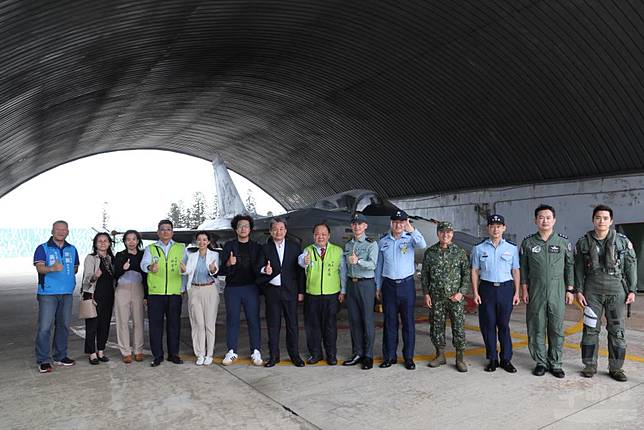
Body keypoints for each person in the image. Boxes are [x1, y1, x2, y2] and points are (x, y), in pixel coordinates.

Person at [575, 204, 637, 382]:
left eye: (605, 218)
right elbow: (578, 268)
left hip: (616, 291)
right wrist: (579, 290)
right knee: (590, 329)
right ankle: (589, 365)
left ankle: (616, 369)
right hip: (592, 291)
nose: (601, 221)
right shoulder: (584, 242)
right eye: (598, 218)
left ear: (611, 221)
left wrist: (632, 289)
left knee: (617, 331)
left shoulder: (622, 242)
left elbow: (631, 266)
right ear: (593, 220)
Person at [520, 205, 574, 378]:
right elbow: (523, 268)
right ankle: (541, 362)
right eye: (541, 217)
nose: (545, 220)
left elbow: (570, 267)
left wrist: (570, 289)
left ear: (554, 220)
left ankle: (556, 363)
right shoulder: (528, 243)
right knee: (536, 326)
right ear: (535, 220)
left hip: (557, 289)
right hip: (536, 290)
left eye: (548, 217)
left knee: (556, 327)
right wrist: (524, 289)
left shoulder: (563, 242)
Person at [375, 210, 427, 370]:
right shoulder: (383, 241)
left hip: (406, 285)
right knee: (389, 323)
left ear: (405, 223)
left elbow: (423, 245)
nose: (398, 225)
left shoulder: (411, 239)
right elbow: (379, 266)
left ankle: (408, 357)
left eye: (402, 222)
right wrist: (378, 286)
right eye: (396, 222)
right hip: (389, 285)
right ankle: (389, 356)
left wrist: (410, 228)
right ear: (391, 223)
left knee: (408, 323)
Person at [471, 214, 520, 373]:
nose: (495, 229)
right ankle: (492, 358)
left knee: (504, 325)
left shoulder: (512, 248)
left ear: (504, 228)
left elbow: (515, 270)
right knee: (488, 325)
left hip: (506, 289)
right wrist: (475, 292)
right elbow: (475, 271)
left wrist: (517, 292)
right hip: (487, 289)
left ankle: (506, 359)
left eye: (499, 226)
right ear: (488, 228)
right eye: (492, 226)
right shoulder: (479, 248)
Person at [421, 221, 470, 372]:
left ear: (452, 234)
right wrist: (426, 294)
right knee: (436, 327)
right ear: (438, 234)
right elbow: (425, 275)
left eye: (448, 232)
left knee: (458, 328)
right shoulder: (430, 252)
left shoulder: (459, 252)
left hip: (455, 298)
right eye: (442, 232)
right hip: (436, 297)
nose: (445, 235)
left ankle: (460, 358)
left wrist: (461, 292)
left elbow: (466, 275)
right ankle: (440, 355)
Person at [258, 217, 306, 367]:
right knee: (273, 325)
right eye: (275, 229)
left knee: (292, 325)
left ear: (285, 231)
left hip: (290, 291)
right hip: (272, 292)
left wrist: (300, 291)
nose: (278, 232)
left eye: (281, 229)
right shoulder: (265, 248)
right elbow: (257, 267)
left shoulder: (294, 247)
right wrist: (264, 270)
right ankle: (274, 356)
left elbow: (299, 272)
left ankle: (294, 355)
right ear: (270, 232)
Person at [33, 220, 79, 373]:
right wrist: (52, 268)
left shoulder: (72, 249)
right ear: (52, 231)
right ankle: (43, 360)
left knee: (64, 325)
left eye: (64, 229)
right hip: (48, 293)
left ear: (68, 232)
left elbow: (75, 268)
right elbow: (40, 268)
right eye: (57, 229)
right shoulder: (43, 248)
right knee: (45, 327)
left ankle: (60, 356)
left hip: (67, 293)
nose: (61, 232)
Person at [298, 223, 346, 365]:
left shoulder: (337, 251)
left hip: (331, 295)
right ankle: (315, 354)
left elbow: (342, 272)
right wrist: (303, 261)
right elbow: (301, 261)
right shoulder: (308, 250)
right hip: (312, 295)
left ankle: (331, 354)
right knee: (313, 326)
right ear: (313, 236)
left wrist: (343, 291)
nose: (320, 237)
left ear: (329, 236)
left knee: (330, 326)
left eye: (323, 234)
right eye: (317, 234)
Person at [141, 220, 186, 367]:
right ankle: (157, 355)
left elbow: (186, 270)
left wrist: (183, 289)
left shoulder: (181, 248)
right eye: (162, 229)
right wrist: (149, 267)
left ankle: (174, 354)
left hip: (174, 293)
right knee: (155, 326)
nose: (165, 232)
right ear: (158, 232)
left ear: (172, 232)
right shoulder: (151, 248)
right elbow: (143, 264)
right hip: (156, 293)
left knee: (174, 324)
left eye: (168, 229)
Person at [220, 215, 263, 366]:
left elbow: (260, 268)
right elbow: (221, 270)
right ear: (235, 229)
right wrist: (229, 263)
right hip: (233, 289)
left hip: (251, 288)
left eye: (246, 226)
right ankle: (231, 351)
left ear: (250, 229)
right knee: (232, 320)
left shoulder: (257, 247)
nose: (243, 228)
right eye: (240, 226)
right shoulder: (229, 246)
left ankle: (256, 351)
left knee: (253, 320)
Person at [340, 213, 378, 370]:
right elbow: (343, 269)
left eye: (360, 224)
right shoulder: (348, 245)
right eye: (354, 224)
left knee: (367, 320)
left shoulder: (371, 244)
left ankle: (368, 355)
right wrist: (343, 290)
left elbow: (373, 265)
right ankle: (357, 353)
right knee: (354, 321)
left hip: (366, 285)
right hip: (352, 284)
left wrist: (359, 261)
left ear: (365, 226)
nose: (356, 226)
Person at [182, 231, 219, 366]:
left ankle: (209, 354)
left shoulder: (214, 255)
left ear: (208, 242)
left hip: (209, 289)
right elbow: (187, 271)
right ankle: (200, 353)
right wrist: (183, 269)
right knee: (198, 324)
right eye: (199, 240)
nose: (202, 242)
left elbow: (215, 271)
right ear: (196, 241)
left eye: (204, 240)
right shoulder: (191, 256)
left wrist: (213, 269)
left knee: (209, 324)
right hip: (195, 290)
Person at [81, 232, 116, 364]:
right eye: (99, 241)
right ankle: (91, 353)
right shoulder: (91, 258)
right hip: (94, 295)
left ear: (109, 243)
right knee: (92, 326)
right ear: (95, 244)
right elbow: (86, 279)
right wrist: (95, 276)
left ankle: (101, 350)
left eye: (105, 240)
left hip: (108, 296)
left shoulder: (110, 259)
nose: (102, 243)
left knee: (104, 325)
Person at [113, 230, 146, 363]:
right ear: (125, 241)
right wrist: (123, 268)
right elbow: (115, 274)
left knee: (139, 320)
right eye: (128, 239)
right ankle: (125, 351)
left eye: (134, 239)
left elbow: (146, 275)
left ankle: (138, 350)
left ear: (138, 241)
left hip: (138, 288)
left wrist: (147, 295)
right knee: (123, 321)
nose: (131, 242)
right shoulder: (120, 255)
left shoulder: (143, 255)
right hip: (122, 289)